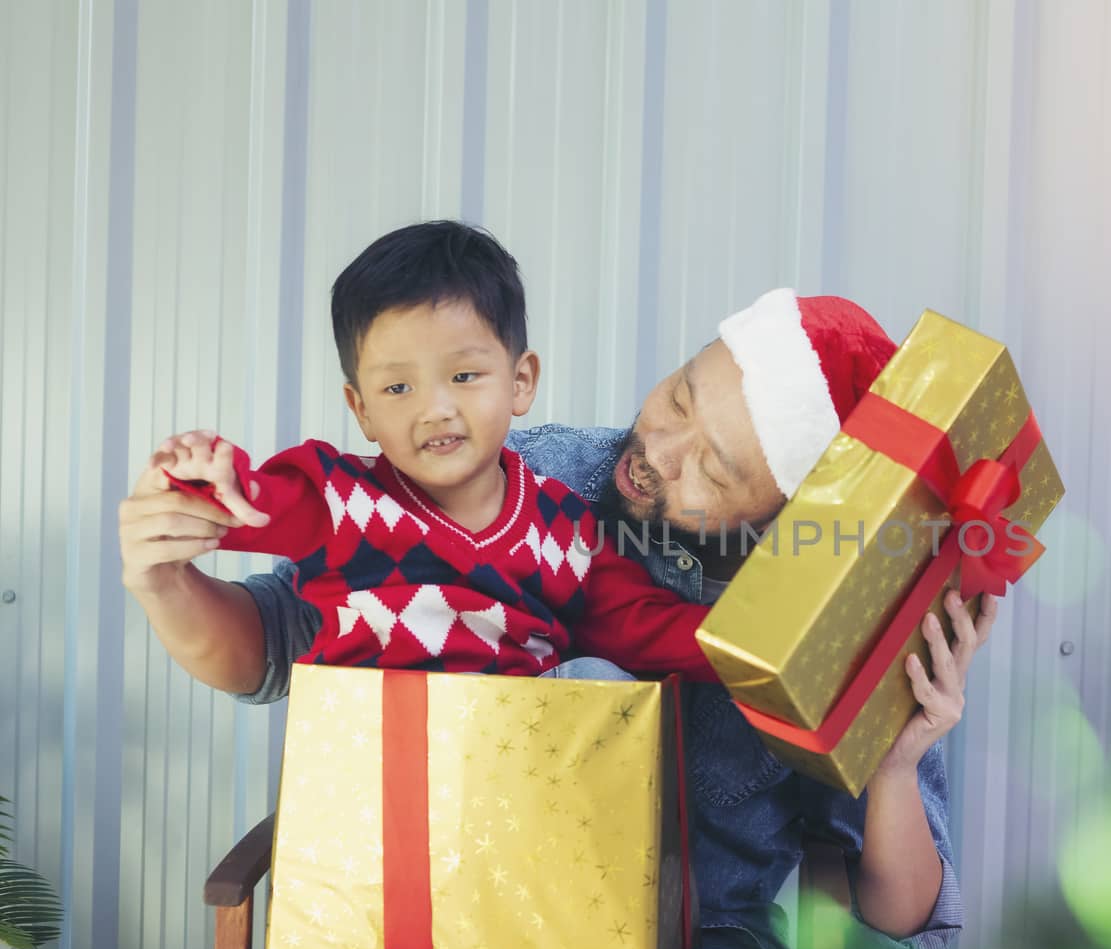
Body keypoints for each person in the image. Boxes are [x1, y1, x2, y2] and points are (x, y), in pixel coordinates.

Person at [119, 285, 998, 949]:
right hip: (433, 924)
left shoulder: (845, 620)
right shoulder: (512, 472)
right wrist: (168, 573)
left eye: (713, 467)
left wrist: (889, 758)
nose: (661, 447)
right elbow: (278, 636)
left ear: (781, 521)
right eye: (680, 395)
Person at [153, 220, 716, 682]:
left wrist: (750, 644)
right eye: (398, 388)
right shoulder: (343, 500)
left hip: (516, 773)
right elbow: (253, 505)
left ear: (520, 382)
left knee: (597, 676)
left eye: (465, 375)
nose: (435, 409)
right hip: (372, 760)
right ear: (362, 410)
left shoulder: (563, 528)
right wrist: (201, 476)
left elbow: (643, 625)